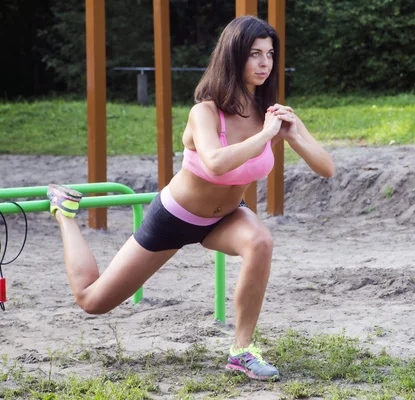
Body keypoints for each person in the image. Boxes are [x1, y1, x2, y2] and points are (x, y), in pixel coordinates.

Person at [47, 15, 335, 381]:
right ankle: (64, 213)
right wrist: (265, 137)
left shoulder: (269, 115)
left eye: (270, 54)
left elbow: (327, 169)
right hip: (174, 216)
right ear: (233, 57)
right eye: (254, 54)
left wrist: (296, 131)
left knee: (260, 240)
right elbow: (214, 163)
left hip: (226, 218)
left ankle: (242, 351)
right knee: (92, 301)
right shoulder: (206, 111)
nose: (265, 63)